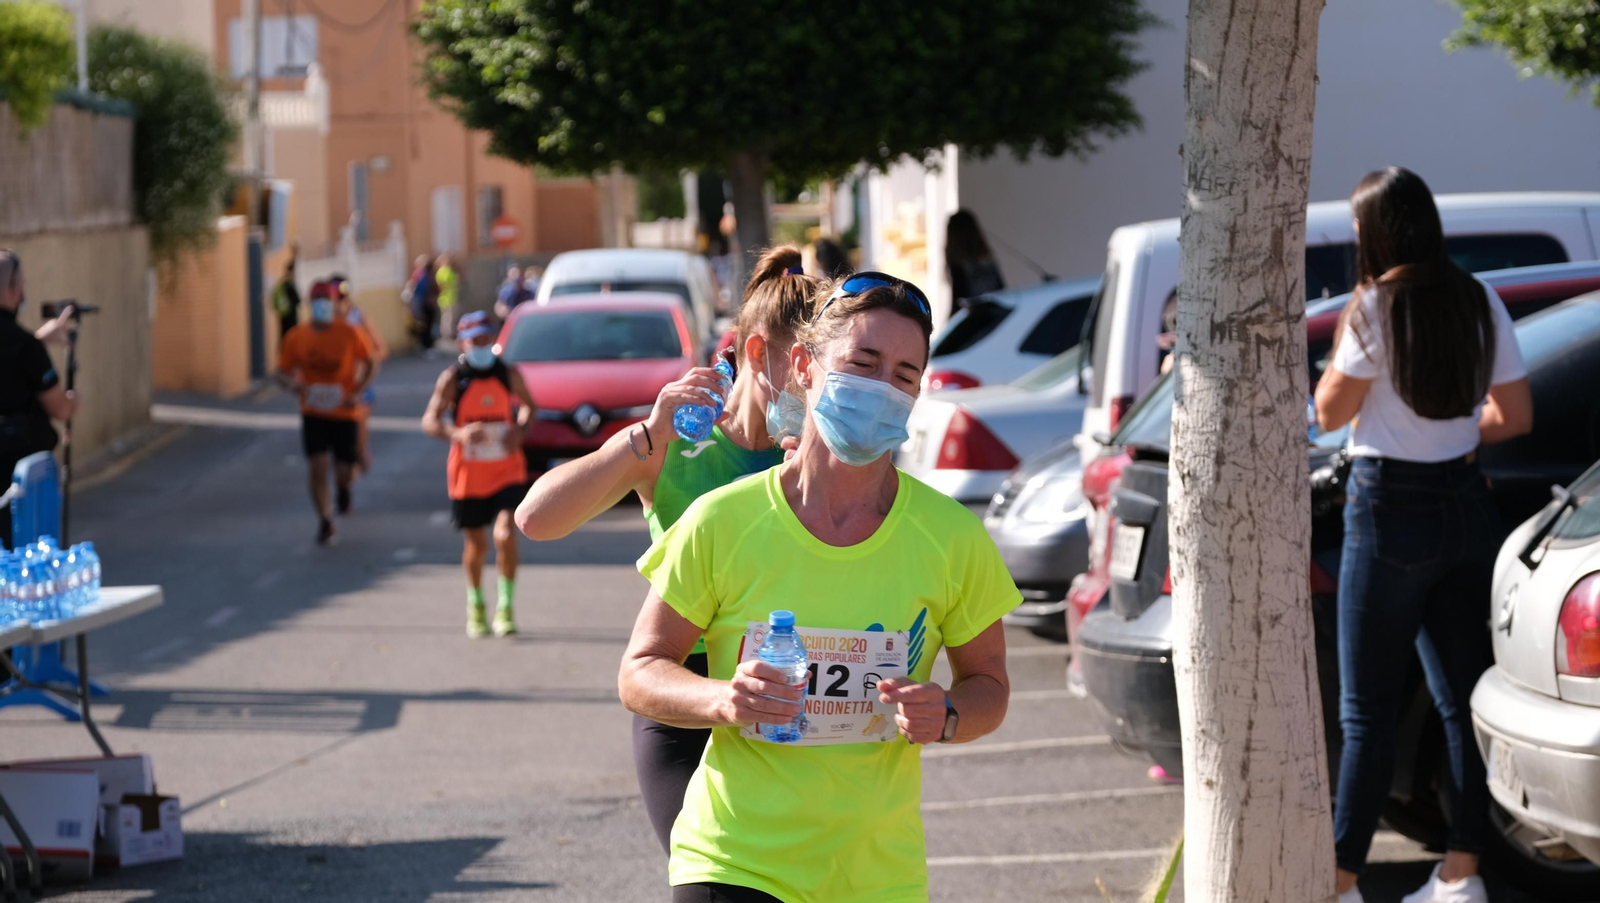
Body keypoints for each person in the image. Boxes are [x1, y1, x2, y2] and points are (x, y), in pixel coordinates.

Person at [616, 269, 1022, 902]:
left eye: (904, 375)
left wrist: (944, 714)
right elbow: (641, 670)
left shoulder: (952, 538)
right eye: (863, 362)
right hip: (734, 860)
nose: (882, 388)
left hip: (875, 876)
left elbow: (989, 687)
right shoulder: (723, 521)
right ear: (804, 365)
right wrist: (724, 699)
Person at [516, 246, 820, 852]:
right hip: (685, 696)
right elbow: (535, 519)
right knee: (717, 873)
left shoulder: (823, 448)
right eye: (805, 366)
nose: (817, 385)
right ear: (757, 354)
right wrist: (647, 436)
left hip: (792, 695)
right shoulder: (681, 441)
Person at [1314, 167, 1534, 903]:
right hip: (1467, 506)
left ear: (1378, 232)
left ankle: (1342, 880)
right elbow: (1516, 414)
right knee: (1463, 699)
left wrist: (1352, 323)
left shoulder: (1375, 306)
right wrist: (1461, 435)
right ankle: (1460, 875)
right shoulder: (1479, 298)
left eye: (1356, 229)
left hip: (1387, 510)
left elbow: (1329, 411)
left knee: (1366, 711)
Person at [422, 311, 536, 638]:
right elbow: (429, 421)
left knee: (505, 533)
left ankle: (505, 606)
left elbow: (530, 407)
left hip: (506, 468)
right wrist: (457, 434)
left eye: (488, 340)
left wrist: (520, 431)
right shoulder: (452, 379)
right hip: (468, 474)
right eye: (476, 341)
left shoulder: (507, 374)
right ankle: (476, 604)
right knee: (476, 544)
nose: (483, 346)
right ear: (463, 343)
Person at [277, 285, 379, 545]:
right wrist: (293, 385)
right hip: (313, 411)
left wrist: (357, 391)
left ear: (334, 304)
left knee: (343, 470)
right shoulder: (296, 336)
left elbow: (370, 362)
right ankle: (325, 520)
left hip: (344, 411)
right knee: (317, 467)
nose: (322, 305)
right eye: (317, 301)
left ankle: (344, 488)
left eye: (327, 301)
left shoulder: (349, 333)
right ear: (310, 304)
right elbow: (280, 371)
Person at [0, 250, 77, 550]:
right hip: (19, 482)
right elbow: (59, 408)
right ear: (13, 289)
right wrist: (73, 401)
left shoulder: (27, 345)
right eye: (22, 286)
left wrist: (39, 340)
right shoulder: (25, 347)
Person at [326, 275, 388, 473]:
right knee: (337, 441)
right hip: (332, 387)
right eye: (335, 297)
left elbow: (380, 349)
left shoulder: (358, 317)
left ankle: (355, 464)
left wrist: (362, 363)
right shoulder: (323, 321)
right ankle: (343, 479)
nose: (339, 302)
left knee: (356, 440)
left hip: (359, 386)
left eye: (342, 297)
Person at [945, 208, 1005, 314]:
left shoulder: (959, 265)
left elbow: (959, 302)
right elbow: (1002, 290)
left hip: (975, 320)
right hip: (996, 316)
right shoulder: (987, 261)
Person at [405, 254, 439, 353]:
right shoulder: (420, 276)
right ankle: (425, 346)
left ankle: (427, 345)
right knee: (424, 325)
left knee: (428, 325)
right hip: (423, 304)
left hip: (426, 304)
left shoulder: (427, 275)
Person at [272, 258, 301, 340]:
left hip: (284, 315)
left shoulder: (283, 284)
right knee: (290, 337)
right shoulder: (289, 285)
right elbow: (297, 300)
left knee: (284, 337)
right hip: (290, 316)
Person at [435, 253, 460, 339]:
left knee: (449, 316)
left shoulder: (447, 270)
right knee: (448, 317)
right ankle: (448, 334)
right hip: (447, 298)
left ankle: (449, 332)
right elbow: (443, 284)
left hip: (450, 297)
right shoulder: (443, 271)